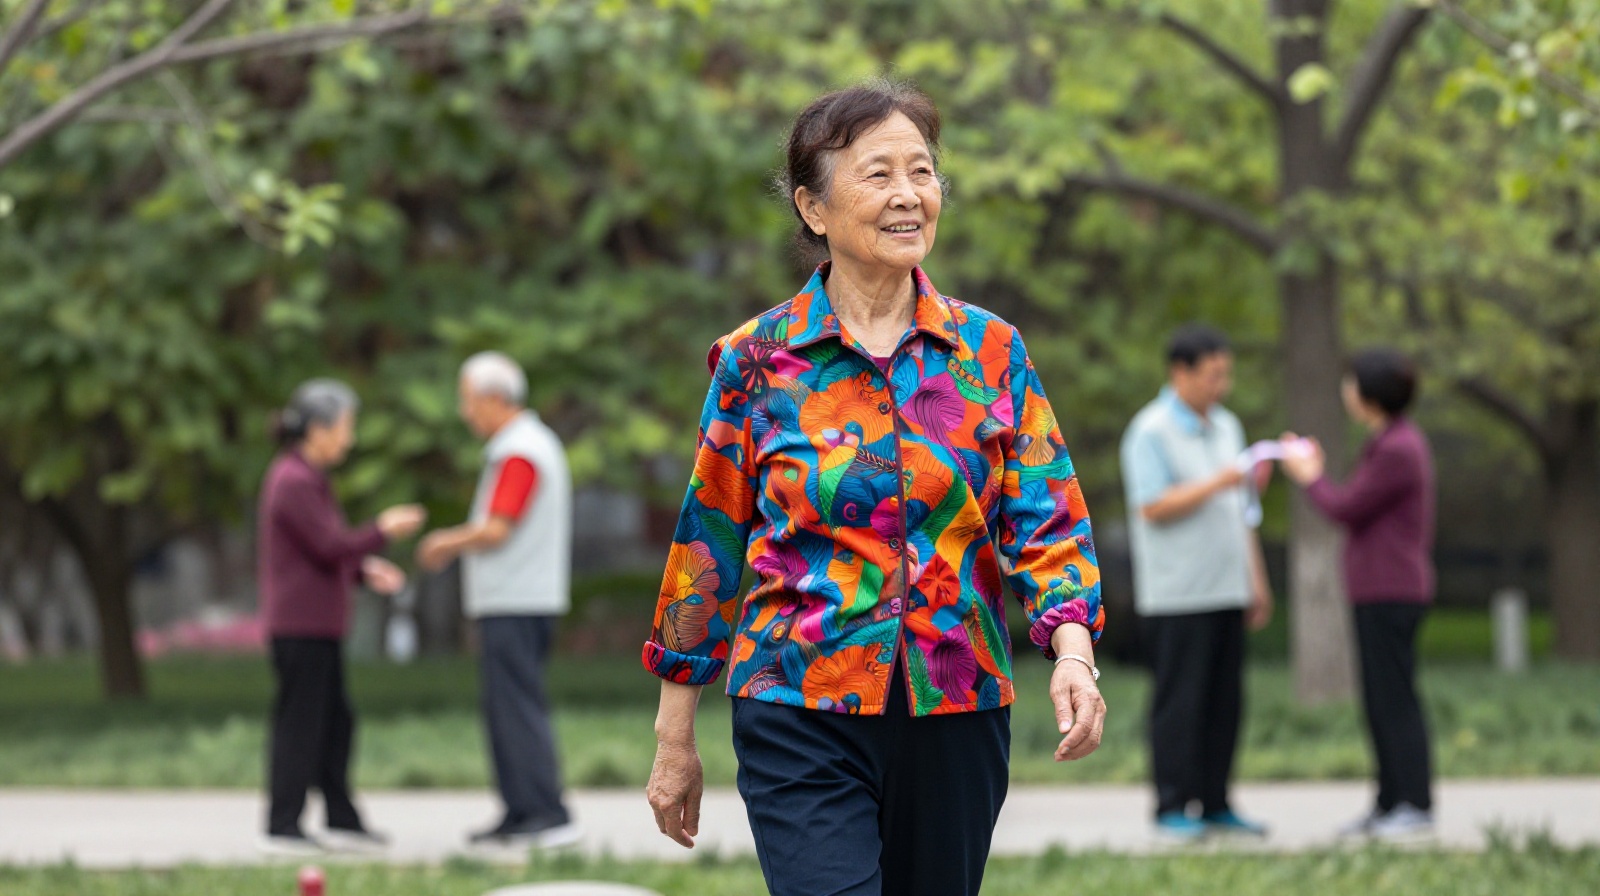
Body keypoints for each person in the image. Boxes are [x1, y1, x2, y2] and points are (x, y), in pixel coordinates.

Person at [642, 80, 1106, 896]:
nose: (907, 196)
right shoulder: (756, 362)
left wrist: (1072, 651)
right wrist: (674, 736)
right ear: (813, 209)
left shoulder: (991, 351)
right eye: (878, 173)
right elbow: (705, 540)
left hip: (956, 704)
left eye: (922, 173)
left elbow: (1048, 516)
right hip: (798, 700)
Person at [417, 351, 579, 849]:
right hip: (517, 599)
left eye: (469, 400)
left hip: (516, 600)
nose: (466, 412)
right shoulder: (527, 444)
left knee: (516, 707)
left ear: (493, 398)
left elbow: (497, 528)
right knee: (506, 706)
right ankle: (519, 809)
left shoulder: (519, 450)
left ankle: (543, 812)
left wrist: (445, 542)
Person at [257, 379, 425, 855]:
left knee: (335, 722)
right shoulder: (293, 480)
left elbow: (322, 552)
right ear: (316, 429)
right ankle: (282, 825)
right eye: (345, 428)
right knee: (301, 725)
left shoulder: (307, 477)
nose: (349, 439)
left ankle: (341, 819)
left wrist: (362, 569)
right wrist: (381, 530)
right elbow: (330, 546)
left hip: (316, 626)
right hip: (300, 627)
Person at [1120, 325, 1273, 841]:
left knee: (1224, 704)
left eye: (1225, 374)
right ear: (1180, 372)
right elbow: (1152, 506)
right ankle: (1170, 806)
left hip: (1228, 586)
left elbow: (1240, 510)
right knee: (1179, 703)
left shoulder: (1228, 427)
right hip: (1177, 593)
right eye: (1212, 375)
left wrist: (1257, 580)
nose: (1221, 386)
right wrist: (1222, 481)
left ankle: (1215, 802)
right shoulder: (1151, 430)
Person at [1280, 348, 1436, 840]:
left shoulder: (1397, 448)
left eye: (1351, 384)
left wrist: (1309, 477)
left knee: (1394, 700)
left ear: (1369, 394)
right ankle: (1390, 802)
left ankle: (1413, 802)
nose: (1345, 392)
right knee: (1380, 698)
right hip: (1381, 589)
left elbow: (1346, 508)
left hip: (1392, 590)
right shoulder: (1391, 441)